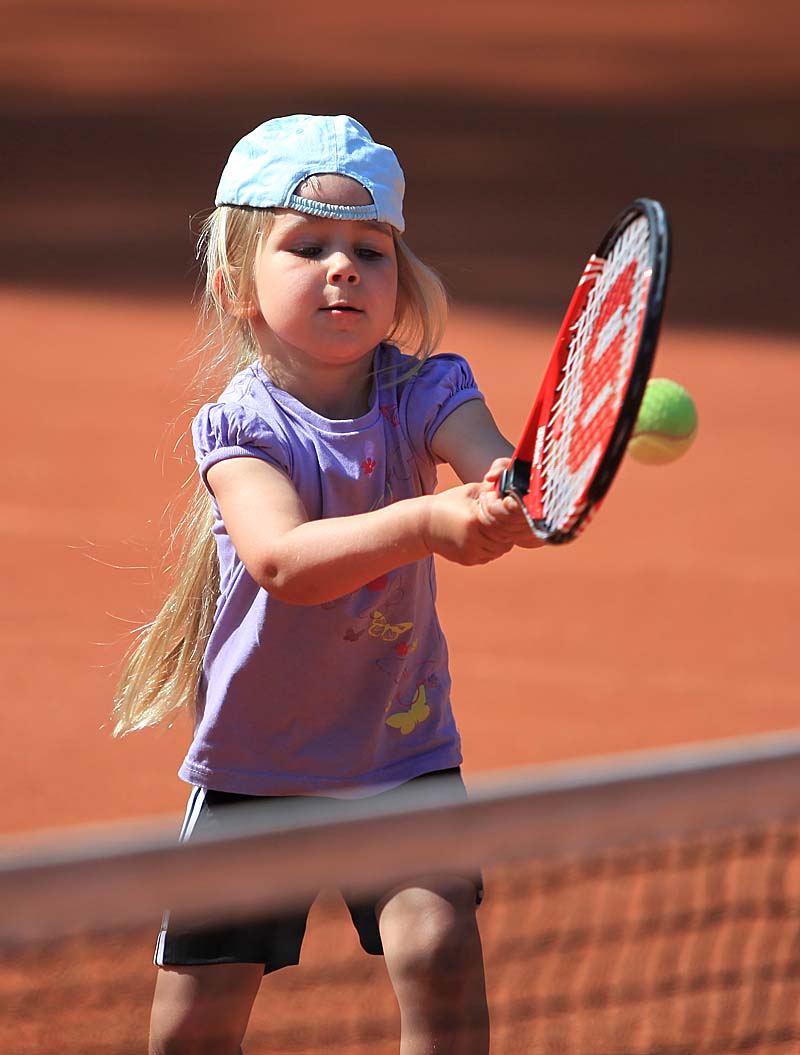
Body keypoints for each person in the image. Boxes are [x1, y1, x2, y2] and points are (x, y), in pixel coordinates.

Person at [113, 113, 540, 1055]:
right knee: (197, 1021)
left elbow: (489, 458)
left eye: (370, 250)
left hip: (401, 754)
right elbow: (283, 561)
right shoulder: (241, 426)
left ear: (399, 283)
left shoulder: (428, 390)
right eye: (307, 245)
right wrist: (430, 522)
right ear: (237, 287)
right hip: (256, 769)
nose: (343, 266)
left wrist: (513, 492)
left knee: (440, 953)